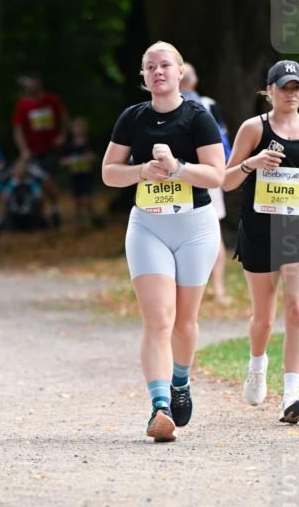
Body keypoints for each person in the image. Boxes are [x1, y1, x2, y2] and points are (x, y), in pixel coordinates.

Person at [102, 41, 225, 442]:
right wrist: (142, 172)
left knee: (185, 322)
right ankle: (159, 407)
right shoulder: (131, 119)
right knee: (158, 320)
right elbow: (108, 172)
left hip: (195, 228)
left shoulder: (198, 117)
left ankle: (180, 381)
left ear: (179, 72)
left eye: (165, 65)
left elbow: (217, 175)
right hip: (148, 226)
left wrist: (177, 168)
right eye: (150, 66)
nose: (158, 72)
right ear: (143, 76)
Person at [223, 60, 299, 424]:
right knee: (264, 316)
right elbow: (225, 180)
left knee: (297, 310)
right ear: (269, 90)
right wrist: (253, 163)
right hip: (260, 229)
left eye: (297, 88)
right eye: (284, 87)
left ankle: (292, 394)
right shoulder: (252, 128)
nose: (291, 94)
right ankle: (257, 365)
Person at [180, 62, 232, 304]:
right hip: (209, 173)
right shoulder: (209, 105)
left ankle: (185, 290)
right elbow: (224, 141)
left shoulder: (164, 105)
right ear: (195, 81)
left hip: (176, 175)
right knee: (213, 230)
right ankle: (218, 288)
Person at [12, 74, 68, 227]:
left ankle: (55, 210)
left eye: (33, 83)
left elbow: (63, 118)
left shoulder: (51, 100)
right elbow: (18, 129)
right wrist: (24, 149)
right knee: (36, 180)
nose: (30, 86)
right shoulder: (23, 105)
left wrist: (62, 136)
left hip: (51, 149)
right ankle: (38, 214)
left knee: (49, 180)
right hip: (33, 151)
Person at [59, 116, 97, 225]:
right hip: (75, 176)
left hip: (87, 175)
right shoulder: (68, 144)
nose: (78, 130)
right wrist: (69, 161)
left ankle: (93, 219)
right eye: (76, 127)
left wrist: (90, 158)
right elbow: (62, 160)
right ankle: (79, 221)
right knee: (77, 200)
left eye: (80, 127)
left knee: (89, 198)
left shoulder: (89, 142)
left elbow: (95, 156)